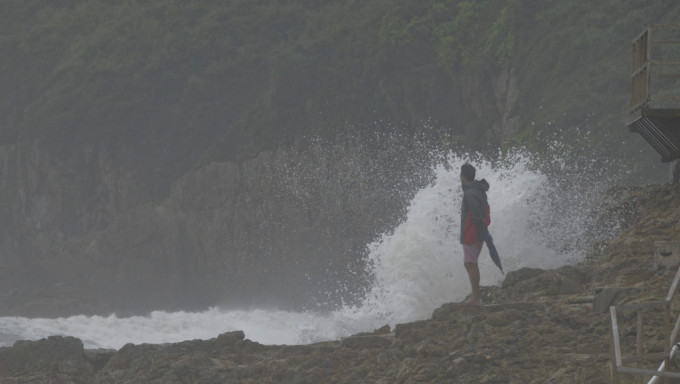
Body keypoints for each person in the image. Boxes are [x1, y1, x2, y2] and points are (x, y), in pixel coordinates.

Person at [459, 163, 490, 306]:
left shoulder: (470, 193)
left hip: (472, 233)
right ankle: (475, 295)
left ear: (463, 176)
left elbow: (476, 214)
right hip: (477, 232)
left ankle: (475, 297)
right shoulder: (478, 190)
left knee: (471, 264)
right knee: (469, 263)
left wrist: (480, 229)